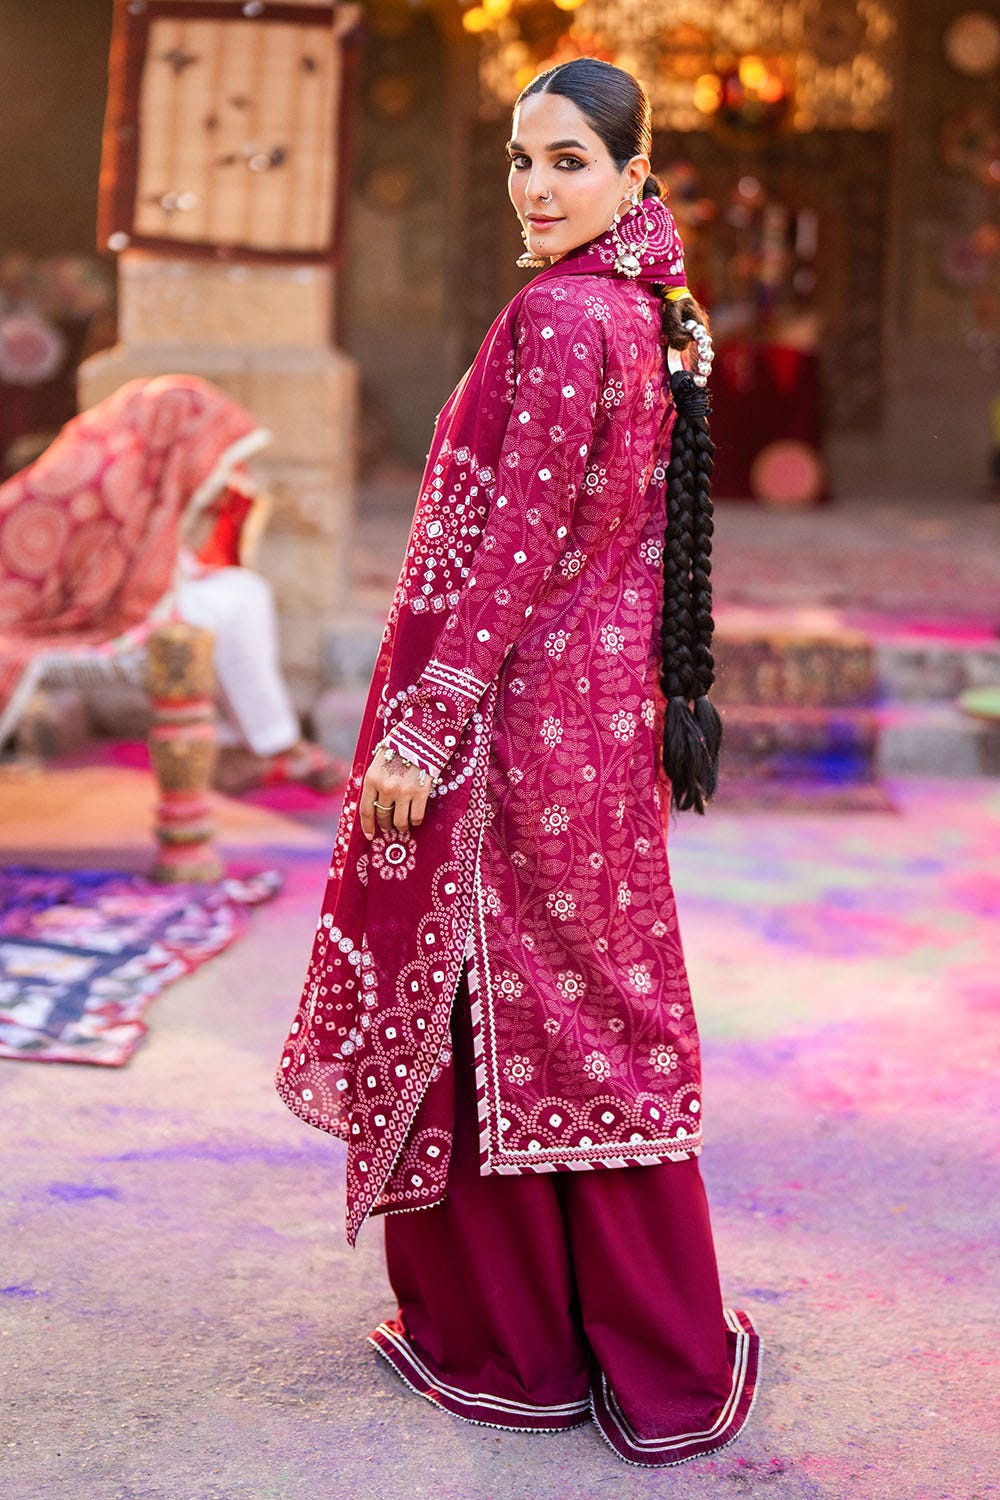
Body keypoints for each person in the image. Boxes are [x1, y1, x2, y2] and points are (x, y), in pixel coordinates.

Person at [276, 58, 760, 1467]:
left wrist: (423, 726)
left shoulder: (559, 316)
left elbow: (511, 551)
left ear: (631, 172)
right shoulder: (649, 306)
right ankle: (654, 1346)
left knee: (499, 1007)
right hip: (603, 722)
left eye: (567, 162)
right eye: (518, 159)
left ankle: (522, 1348)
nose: (534, 189)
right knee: (591, 1011)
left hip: (515, 720)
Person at [0, 374, 341, 793]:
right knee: (242, 598)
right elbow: (113, 582)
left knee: (237, 593)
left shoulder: (114, 458)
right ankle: (267, 745)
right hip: (85, 617)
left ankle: (257, 745)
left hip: (100, 604)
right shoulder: (112, 474)